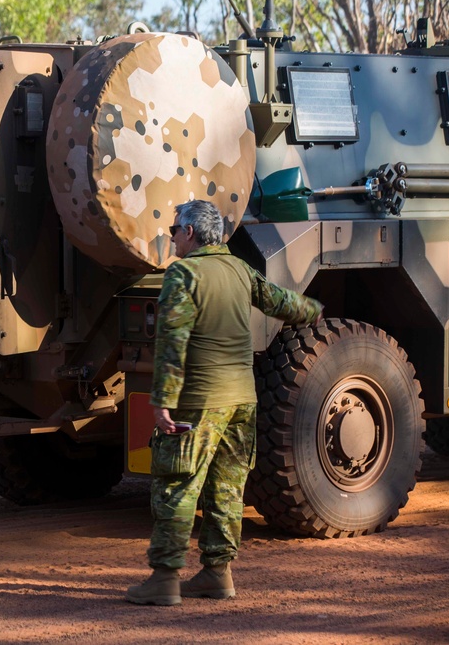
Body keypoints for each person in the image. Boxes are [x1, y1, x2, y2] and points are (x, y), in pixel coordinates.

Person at [126, 200, 323, 606]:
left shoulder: (184, 273)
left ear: (191, 234)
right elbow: (284, 303)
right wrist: (316, 311)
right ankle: (217, 574)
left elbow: (172, 341)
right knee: (227, 490)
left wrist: (162, 400)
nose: (172, 236)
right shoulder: (238, 268)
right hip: (241, 402)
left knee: (177, 487)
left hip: (199, 401)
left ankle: (164, 580)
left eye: (174, 229)